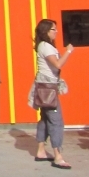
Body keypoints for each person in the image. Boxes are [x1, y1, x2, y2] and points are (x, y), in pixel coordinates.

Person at [30, 19, 74, 169]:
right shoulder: (46, 46)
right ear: (46, 31)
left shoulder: (44, 46)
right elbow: (58, 64)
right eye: (53, 29)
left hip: (44, 85)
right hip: (47, 88)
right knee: (56, 121)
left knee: (45, 119)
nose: (56, 32)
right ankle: (58, 156)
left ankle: (41, 150)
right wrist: (68, 51)